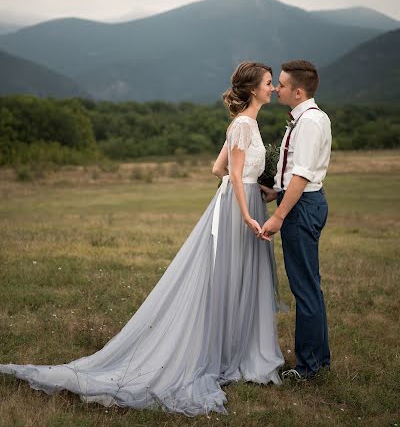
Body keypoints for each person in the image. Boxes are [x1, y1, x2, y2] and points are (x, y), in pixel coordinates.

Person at [0, 61, 283, 416]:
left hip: (240, 199)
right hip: (236, 211)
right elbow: (233, 172)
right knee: (225, 277)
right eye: (269, 83)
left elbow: (217, 169)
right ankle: (222, 353)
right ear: (254, 88)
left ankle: (232, 349)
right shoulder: (243, 124)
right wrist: (245, 212)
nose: (272, 88)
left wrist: (255, 186)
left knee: (231, 277)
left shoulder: (247, 124)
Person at [259, 60, 331, 380]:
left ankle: (309, 368)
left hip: (302, 207)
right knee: (309, 287)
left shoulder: (311, 122)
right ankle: (318, 361)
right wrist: (276, 191)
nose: (277, 89)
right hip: (299, 199)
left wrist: (278, 215)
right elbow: (296, 172)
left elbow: (303, 175)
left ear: (298, 91)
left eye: (283, 85)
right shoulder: (302, 119)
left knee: (305, 289)